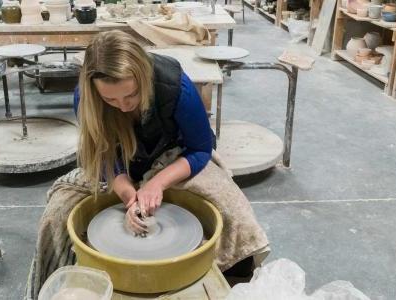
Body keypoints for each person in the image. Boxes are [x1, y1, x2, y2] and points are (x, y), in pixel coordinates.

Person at [29, 30, 269, 297]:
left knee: (234, 210)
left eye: (130, 95)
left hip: (172, 156)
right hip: (120, 163)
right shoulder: (86, 98)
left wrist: (157, 183)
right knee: (56, 215)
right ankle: (54, 286)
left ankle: (237, 284)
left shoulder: (175, 86)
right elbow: (102, 155)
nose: (122, 106)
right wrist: (126, 192)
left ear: (143, 77)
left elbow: (200, 149)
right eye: (110, 100)